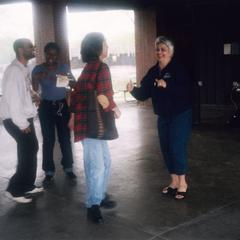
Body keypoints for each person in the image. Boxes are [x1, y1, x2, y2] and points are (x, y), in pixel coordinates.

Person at [127, 36, 192, 200]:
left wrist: (167, 85)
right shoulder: (153, 72)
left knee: (177, 146)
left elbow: (186, 92)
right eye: (157, 49)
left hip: (180, 114)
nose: (160, 52)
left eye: (163, 49)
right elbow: (143, 94)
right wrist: (132, 90)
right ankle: (174, 181)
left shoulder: (178, 69)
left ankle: (183, 183)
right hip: (163, 115)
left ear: (170, 52)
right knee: (166, 148)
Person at [68, 32, 121, 223]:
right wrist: (114, 109)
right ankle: (93, 204)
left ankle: (100, 194)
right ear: (97, 48)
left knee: (103, 163)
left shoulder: (88, 68)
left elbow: (76, 95)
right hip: (93, 124)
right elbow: (103, 96)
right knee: (96, 166)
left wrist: (73, 116)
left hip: (87, 123)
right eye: (105, 45)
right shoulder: (101, 67)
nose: (107, 48)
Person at [0, 38, 44, 203]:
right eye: (30, 47)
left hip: (22, 117)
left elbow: (24, 90)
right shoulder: (14, 71)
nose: (33, 48)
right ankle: (14, 189)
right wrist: (22, 123)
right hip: (15, 119)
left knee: (30, 149)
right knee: (28, 151)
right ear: (20, 50)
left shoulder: (23, 69)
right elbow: (13, 100)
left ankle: (27, 184)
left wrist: (33, 94)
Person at [32, 42, 76, 184]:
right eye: (49, 54)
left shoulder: (63, 67)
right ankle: (48, 171)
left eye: (54, 54)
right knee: (48, 140)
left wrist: (67, 78)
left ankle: (68, 167)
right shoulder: (38, 69)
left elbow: (73, 84)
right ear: (45, 54)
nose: (51, 57)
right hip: (46, 107)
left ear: (58, 55)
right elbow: (33, 88)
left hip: (62, 105)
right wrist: (36, 78)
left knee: (65, 138)